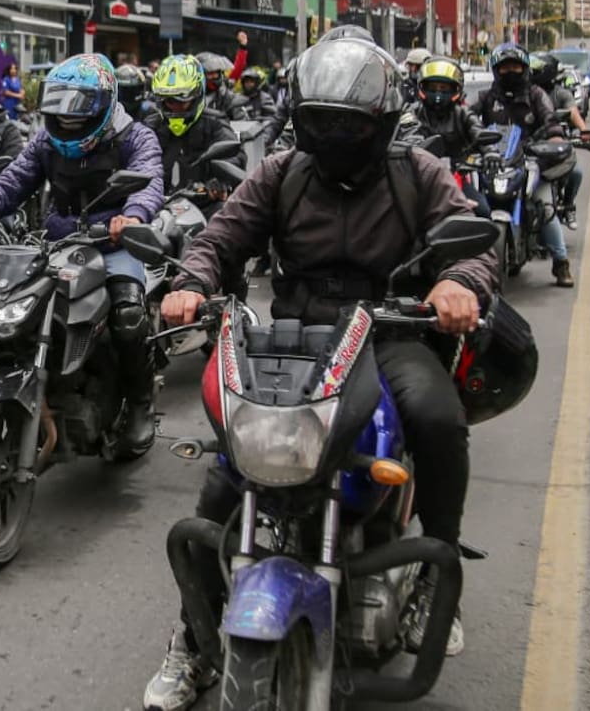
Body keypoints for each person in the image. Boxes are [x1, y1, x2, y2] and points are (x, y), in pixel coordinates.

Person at [143, 36, 496, 711]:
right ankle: (192, 639)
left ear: (383, 122)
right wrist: (190, 279)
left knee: (437, 416)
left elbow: (468, 233)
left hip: (389, 333)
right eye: (323, 119)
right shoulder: (279, 171)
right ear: (302, 118)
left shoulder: (416, 171)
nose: (336, 133)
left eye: (351, 122)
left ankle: (432, 574)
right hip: (292, 340)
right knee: (226, 477)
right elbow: (222, 236)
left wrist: (456, 282)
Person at [0, 54, 164, 454]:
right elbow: (14, 180)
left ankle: (141, 405)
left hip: (114, 243)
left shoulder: (135, 137)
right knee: (10, 298)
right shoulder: (46, 140)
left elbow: (149, 182)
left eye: (78, 111)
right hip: (56, 242)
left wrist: (132, 216)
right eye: (59, 109)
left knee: (128, 315)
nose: (67, 119)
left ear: (103, 103)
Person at [469, 43, 574, 286]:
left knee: (545, 207)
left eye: (515, 66)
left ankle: (561, 264)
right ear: (496, 70)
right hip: (492, 160)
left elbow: (550, 118)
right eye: (505, 67)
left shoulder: (536, 95)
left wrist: (555, 135)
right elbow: (469, 118)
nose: (510, 71)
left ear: (524, 68)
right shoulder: (486, 97)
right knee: (470, 203)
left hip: (529, 159)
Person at [143, 55, 246, 203]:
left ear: (197, 95)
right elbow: (135, 161)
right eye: (169, 100)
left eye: (182, 99)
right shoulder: (150, 126)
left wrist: (219, 182)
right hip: (155, 207)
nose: (175, 106)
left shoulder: (215, 122)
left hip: (204, 206)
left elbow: (235, 156)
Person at [410, 56, 493, 217]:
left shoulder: (463, 114)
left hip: (456, 179)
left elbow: (478, 131)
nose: (438, 94)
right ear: (423, 88)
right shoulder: (411, 113)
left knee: (483, 212)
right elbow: (397, 136)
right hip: (417, 180)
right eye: (433, 87)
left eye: (443, 88)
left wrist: (490, 152)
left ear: (456, 90)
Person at [530, 52, 590, 229]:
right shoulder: (528, 94)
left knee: (576, 173)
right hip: (533, 145)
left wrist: (584, 131)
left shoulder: (560, 94)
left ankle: (569, 205)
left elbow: (573, 112)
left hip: (556, 145)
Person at [196, 52, 244, 120]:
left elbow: (242, 122)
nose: (214, 76)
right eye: (210, 73)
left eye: (216, 73)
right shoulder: (191, 96)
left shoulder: (226, 96)